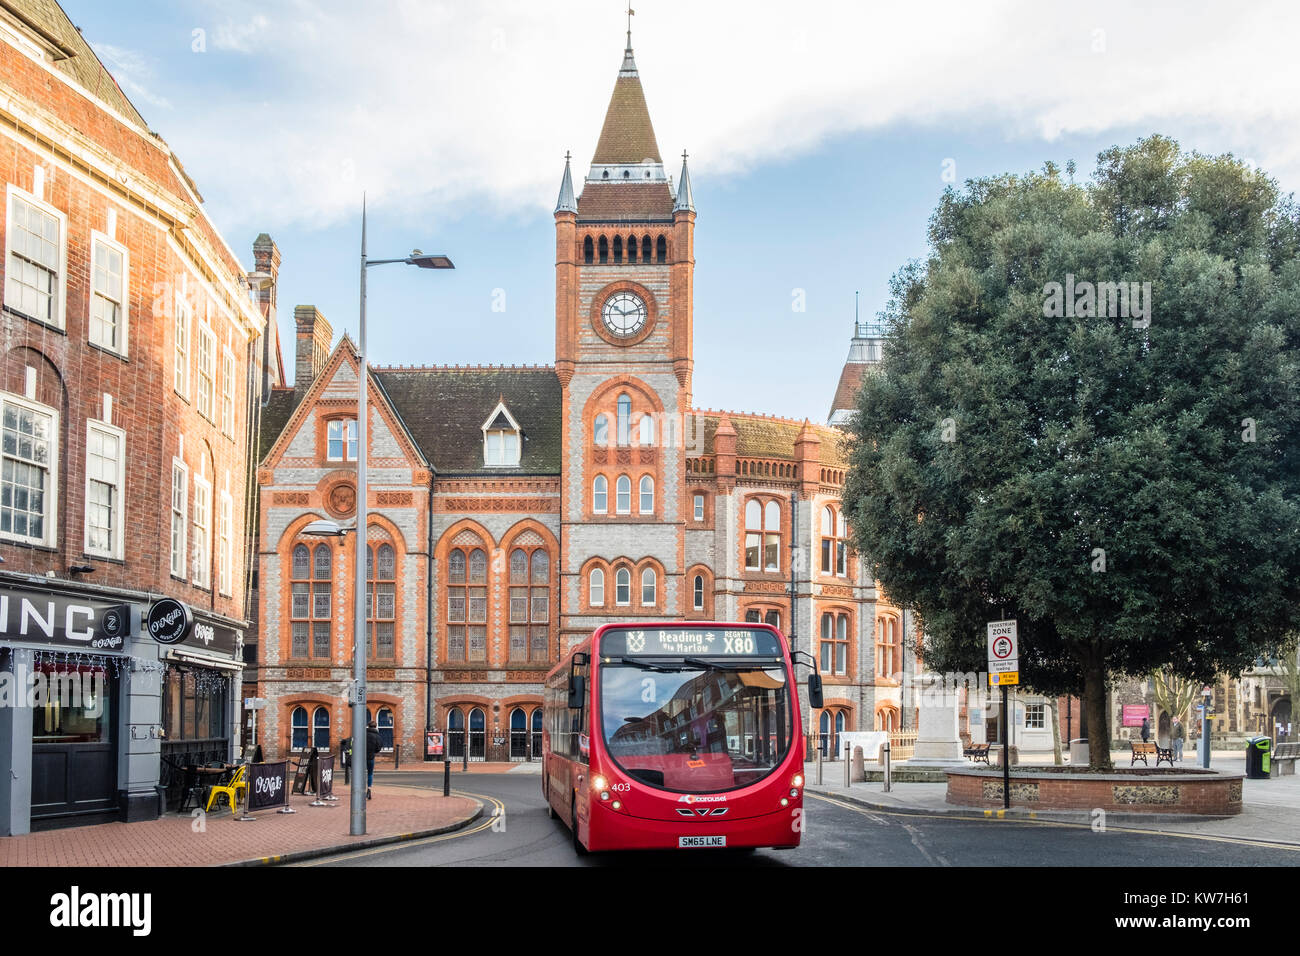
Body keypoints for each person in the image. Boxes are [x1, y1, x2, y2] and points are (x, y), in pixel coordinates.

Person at [365, 720, 382, 800]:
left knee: (360, 773)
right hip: (371, 757)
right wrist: (373, 751)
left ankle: (360, 789)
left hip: (361, 757)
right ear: (375, 726)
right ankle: (369, 788)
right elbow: (378, 748)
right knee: (370, 773)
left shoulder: (363, 733)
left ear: (368, 726)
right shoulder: (377, 736)